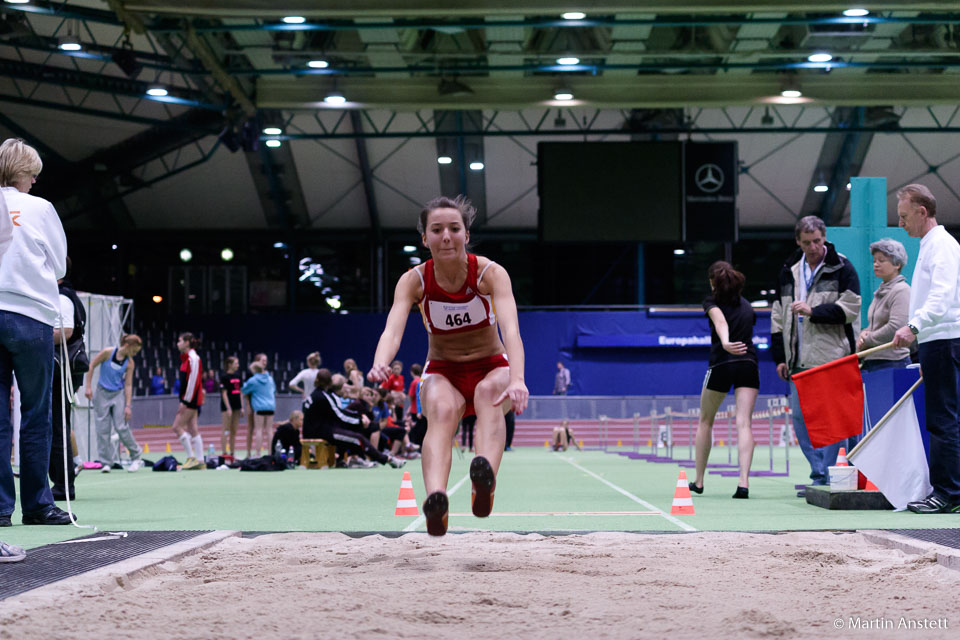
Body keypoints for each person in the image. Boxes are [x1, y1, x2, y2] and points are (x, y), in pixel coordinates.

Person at [369, 195, 528, 536]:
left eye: (454, 229)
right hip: (443, 369)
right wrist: (380, 363)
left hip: (491, 365)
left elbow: (511, 330)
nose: (446, 237)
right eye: (436, 230)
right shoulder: (414, 281)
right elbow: (392, 329)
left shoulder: (490, 274)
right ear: (424, 239)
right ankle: (436, 499)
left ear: (466, 235)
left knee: (490, 394)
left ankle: (483, 478)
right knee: (441, 411)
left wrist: (518, 379)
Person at [0, 138, 75, 527]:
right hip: (29, 315)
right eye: (32, 175)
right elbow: (60, 266)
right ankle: (38, 505)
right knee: (35, 414)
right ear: (23, 173)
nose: (34, 181)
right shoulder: (40, 208)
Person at [771, 215, 861, 495]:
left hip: (832, 356)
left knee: (831, 421)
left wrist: (813, 312)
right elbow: (777, 316)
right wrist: (780, 357)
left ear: (825, 238)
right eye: (807, 242)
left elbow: (851, 309)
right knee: (800, 419)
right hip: (797, 359)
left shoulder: (842, 267)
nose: (813, 247)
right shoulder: (789, 270)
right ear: (798, 241)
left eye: (818, 241)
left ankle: (828, 476)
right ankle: (818, 472)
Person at [891, 185, 960, 514]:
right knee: (942, 417)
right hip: (936, 341)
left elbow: (942, 296)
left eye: (904, 216)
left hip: (943, 338)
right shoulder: (929, 245)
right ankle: (948, 490)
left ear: (922, 212)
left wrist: (913, 327)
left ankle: (948, 493)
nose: (900, 222)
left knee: (943, 418)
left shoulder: (941, 245)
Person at [690, 261, 758, 499]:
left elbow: (719, 321)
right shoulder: (748, 306)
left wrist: (726, 343)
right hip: (749, 364)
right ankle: (743, 483)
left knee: (705, 421)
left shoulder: (711, 301)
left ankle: (698, 481)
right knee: (744, 423)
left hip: (721, 363)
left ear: (712, 282)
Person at [302, 368, 405, 469]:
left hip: (315, 429)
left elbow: (340, 413)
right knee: (357, 438)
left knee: (353, 432)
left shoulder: (316, 394)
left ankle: (355, 459)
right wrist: (360, 421)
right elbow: (340, 416)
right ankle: (386, 459)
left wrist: (360, 419)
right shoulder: (323, 397)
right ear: (329, 383)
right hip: (318, 432)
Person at [49, 259, 85, 500]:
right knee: (59, 425)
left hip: (62, 369)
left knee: (59, 426)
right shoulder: (65, 295)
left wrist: (36, 336)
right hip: (65, 369)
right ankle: (62, 483)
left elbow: (66, 332)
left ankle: (63, 485)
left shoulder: (63, 297)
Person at [85, 335, 145, 473]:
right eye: (134, 351)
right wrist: (88, 387)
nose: (134, 355)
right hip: (101, 393)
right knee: (102, 429)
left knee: (121, 427)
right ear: (128, 346)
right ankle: (106, 462)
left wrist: (128, 406)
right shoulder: (108, 352)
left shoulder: (129, 363)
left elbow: (128, 385)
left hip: (117, 394)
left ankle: (136, 456)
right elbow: (92, 365)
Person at [857, 238, 912, 372]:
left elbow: (896, 326)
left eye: (881, 261)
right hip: (872, 361)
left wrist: (868, 340)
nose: (876, 264)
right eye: (875, 261)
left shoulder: (901, 290)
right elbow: (874, 325)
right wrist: (863, 333)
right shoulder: (880, 291)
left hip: (893, 362)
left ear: (897, 264)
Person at [172, 332, 205, 470]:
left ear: (187, 342)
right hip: (191, 399)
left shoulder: (193, 359)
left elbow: (193, 382)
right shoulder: (187, 359)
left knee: (177, 427)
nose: (177, 343)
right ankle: (201, 461)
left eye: (179, 341)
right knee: (192, 428)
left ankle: (191, 458)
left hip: (190, 400)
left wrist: (185, 401)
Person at [242, 356, 276, 458]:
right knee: (270, 430)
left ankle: (258, 453)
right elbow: (273, 390)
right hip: (270, 406)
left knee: (259, 430)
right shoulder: (270, 379)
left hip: (259, 408)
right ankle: (270, 453)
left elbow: (244, 390)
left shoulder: (253, 380)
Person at [219, 356, 243, 456]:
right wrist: (228, 408)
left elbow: (240, 392)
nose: (237, 365)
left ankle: (232, 452)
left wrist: (242, 407)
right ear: (229, 364)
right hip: (227, 407)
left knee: (234, 430)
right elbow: (224, 393)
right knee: (226, 429)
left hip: (237, 406)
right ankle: (224, 452)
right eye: (235, 363)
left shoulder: (238, 376)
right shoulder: (224, 377)